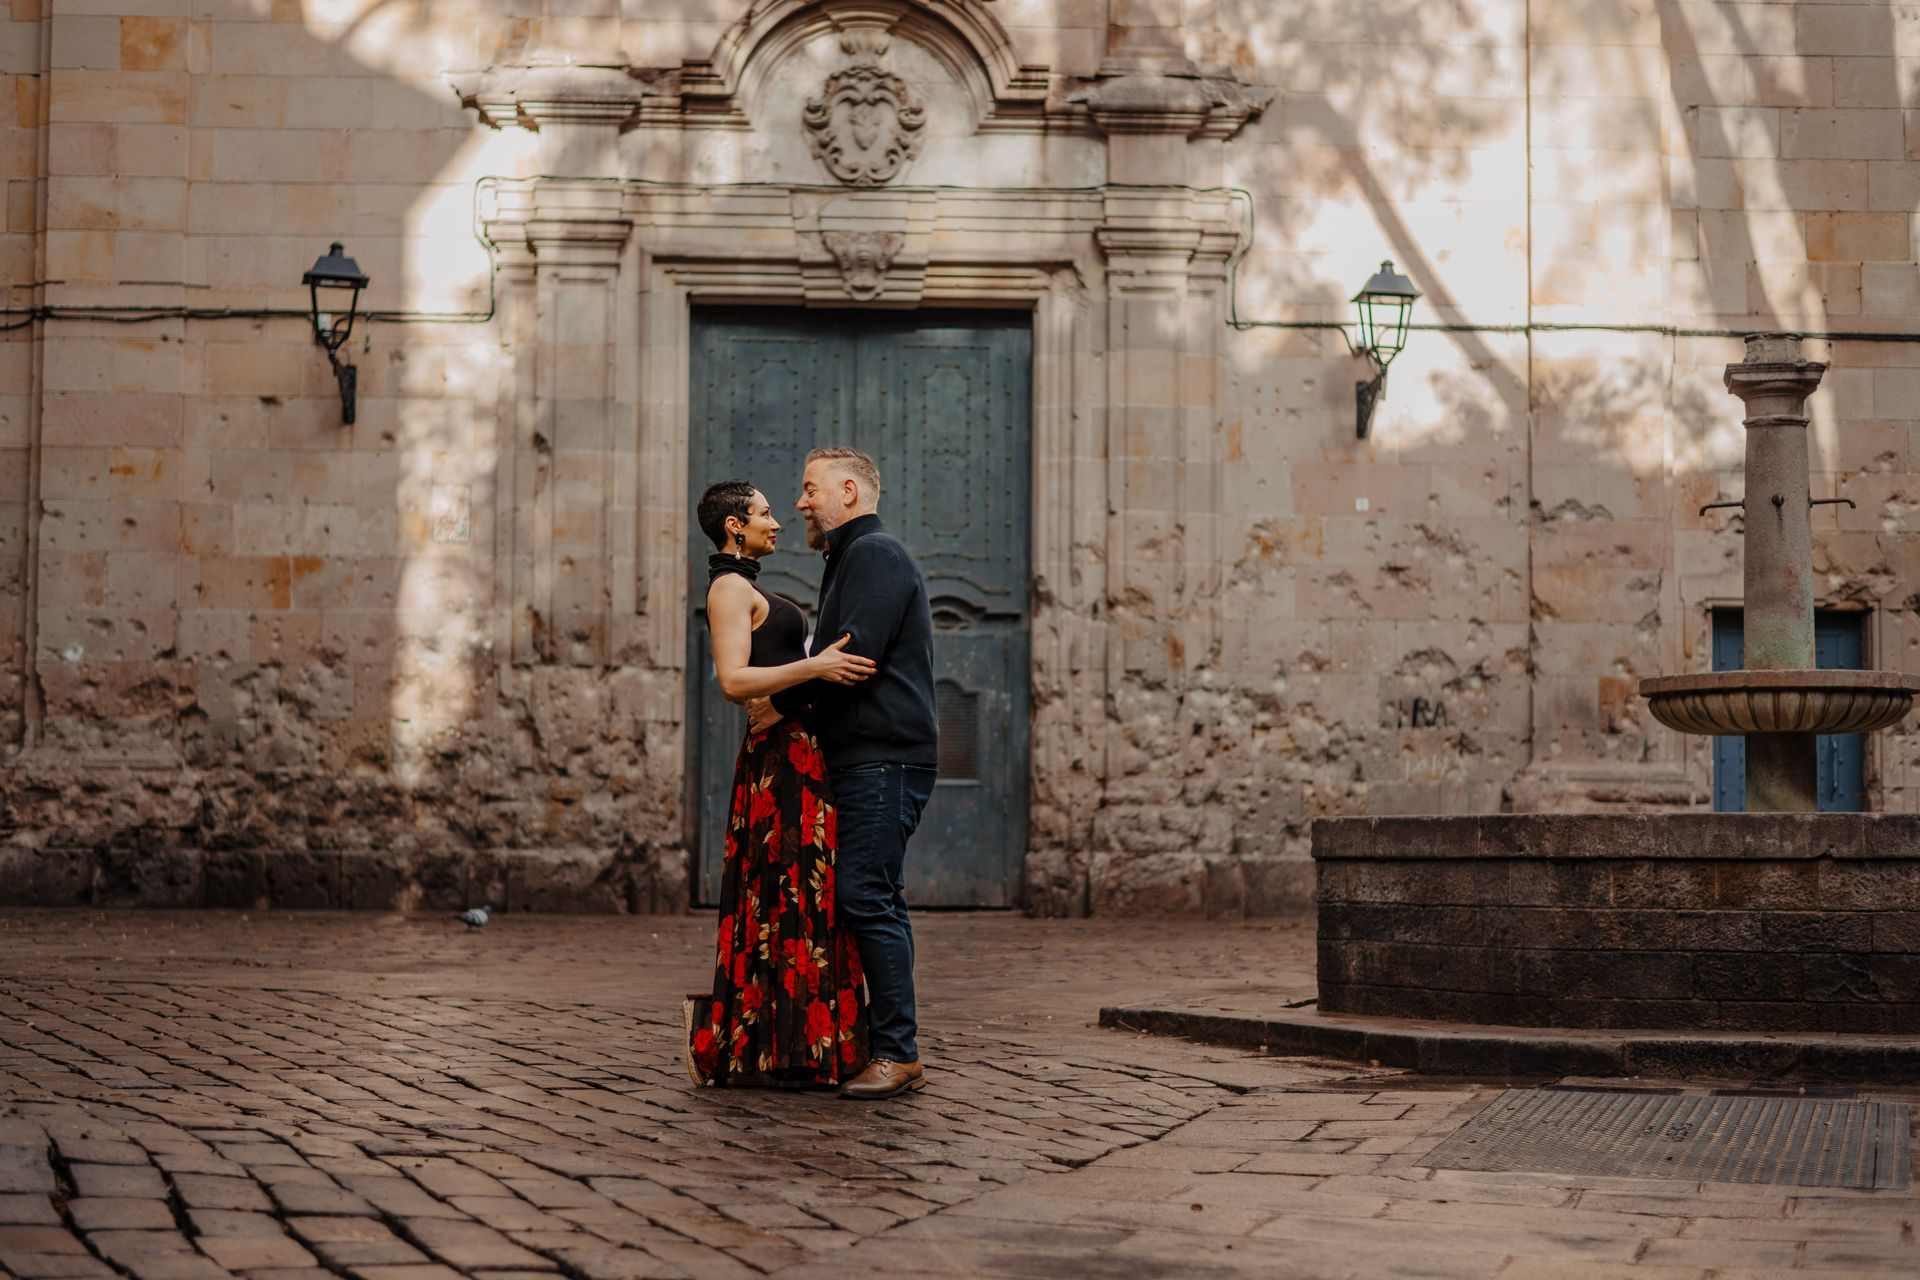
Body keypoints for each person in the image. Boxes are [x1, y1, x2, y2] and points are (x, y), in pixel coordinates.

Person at [746, 447, 938, 1101]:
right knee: (870, 894)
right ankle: (877, 1044)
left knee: (866, 897)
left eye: (809, 489)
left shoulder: (874, 555)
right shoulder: (847, 557)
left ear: (849, 492)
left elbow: (851, 658)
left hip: (884, 755)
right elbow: (828, 662)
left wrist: (777, 702)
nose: (799, 502)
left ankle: (898, 1054)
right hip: (863, 754)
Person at [685, 480, 878, 1088]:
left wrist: (796, 687)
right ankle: (785, 1050)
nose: (779, 522)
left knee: (798, 895)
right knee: (786, 896)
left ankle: (800, 1046)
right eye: (766, 513)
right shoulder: (728, 589)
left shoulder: (748, 585)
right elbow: (734, 680)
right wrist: (817, 666)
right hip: (778, 764)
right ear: (734, 526)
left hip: (796, 755)